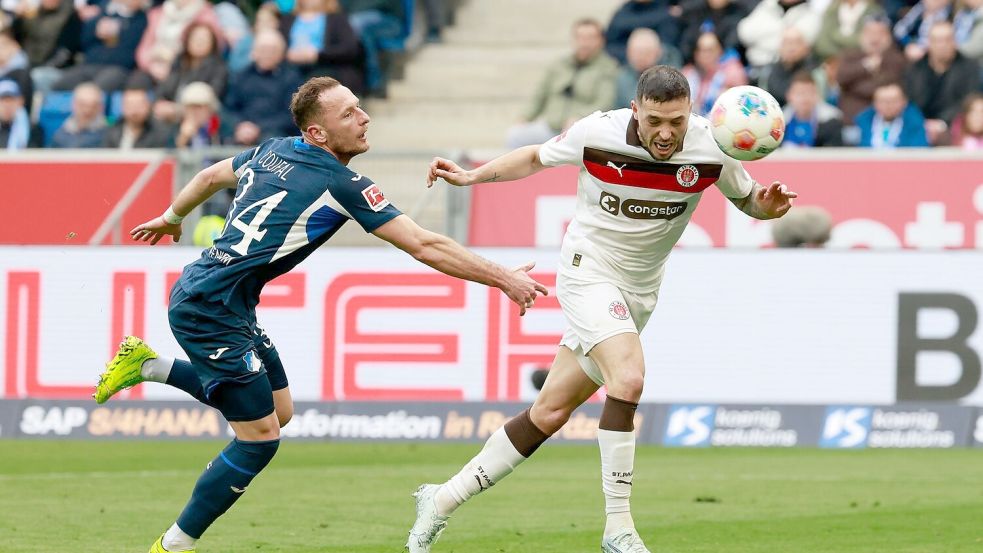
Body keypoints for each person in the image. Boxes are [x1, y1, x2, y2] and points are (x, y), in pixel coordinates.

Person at [92, 76, 548, 553]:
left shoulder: (272, 149)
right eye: (349, 113)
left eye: (359, 108)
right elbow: (424, 244)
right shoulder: (341, 183)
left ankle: (147, 365)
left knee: (279, 412)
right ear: (317, 134)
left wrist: (171, 216)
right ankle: (172, 546)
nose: (364, 117)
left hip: (224, 299)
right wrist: (503, 277)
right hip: (210, 310)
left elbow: (208, 178)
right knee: (260, 440)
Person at [406, 64, 797, 553]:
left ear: (690, 113)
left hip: (640, 291)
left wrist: (768, 206)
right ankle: (618, 529)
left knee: (548, 413)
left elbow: (750, 201)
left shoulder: (712, 144)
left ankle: (439, 501)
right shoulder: (599, 133)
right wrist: (471, 176)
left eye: (676, 120)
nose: (666, 132)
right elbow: (534, 157)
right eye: (655, 120)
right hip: (586, 269)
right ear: (636, 110)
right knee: (628, 379)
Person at [506, 18, 619, 148]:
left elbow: (605, 103)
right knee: (515, 135)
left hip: (582, 131)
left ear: (601, 41)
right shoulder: (559, 65)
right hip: (550, 127)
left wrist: (579, 117)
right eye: (580, 37)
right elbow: (539, 95)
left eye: (590, 38)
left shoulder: (608, 68)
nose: (584, 43)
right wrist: (524, 117)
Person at [903, 20, 980, 144]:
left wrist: (942, 123)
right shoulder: (914, 69)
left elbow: (969, 101)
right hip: (919, 128)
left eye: (947, 40)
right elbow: (908, 101)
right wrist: (922, 124)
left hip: (956, 128)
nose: (942, 45)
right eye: (937, 40)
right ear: (929, 43)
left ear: (955, 42)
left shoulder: (970, 68)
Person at [836, 14, 907, 124]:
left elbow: (887, 86)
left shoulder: (897, 59)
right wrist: (865, 67)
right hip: (853, 119)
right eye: (870, 33)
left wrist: (855, 86)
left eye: (880, 33)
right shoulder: (850, 55)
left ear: (888, 36)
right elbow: (841, 78)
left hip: (888, 121)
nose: (875, 38)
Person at [855, 80, 929, 147]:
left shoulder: (914, 121)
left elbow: (919, 150)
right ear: (874, 103)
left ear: (904, 102)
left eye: (893, 101)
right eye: (883, 101)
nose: (888, 106)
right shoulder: (863, 121)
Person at [782, 71, 845, 147]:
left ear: (817, 94)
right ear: (789, 96)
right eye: (800, 93)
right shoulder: (779, 121)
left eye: (810, 92)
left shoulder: (832, 120)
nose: (805, 98)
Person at [103, 86, 175, 148]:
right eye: (130, 105)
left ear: (148, 106)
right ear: (122, 107)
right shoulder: (112, 132)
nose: (135, 110)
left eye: (139, 105)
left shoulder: (160, 133)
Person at [50, 81, 108, 148]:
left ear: (101, 107)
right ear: (74, 105)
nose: (87, 110)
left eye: (93, 106)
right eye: (82, 105)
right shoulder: (60, 135)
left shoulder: (109, 136)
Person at [0, 79, 42, 149]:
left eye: (11, 100)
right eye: (3, 101)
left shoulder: (32, 129)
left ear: (20, 101)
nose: (7, 105)